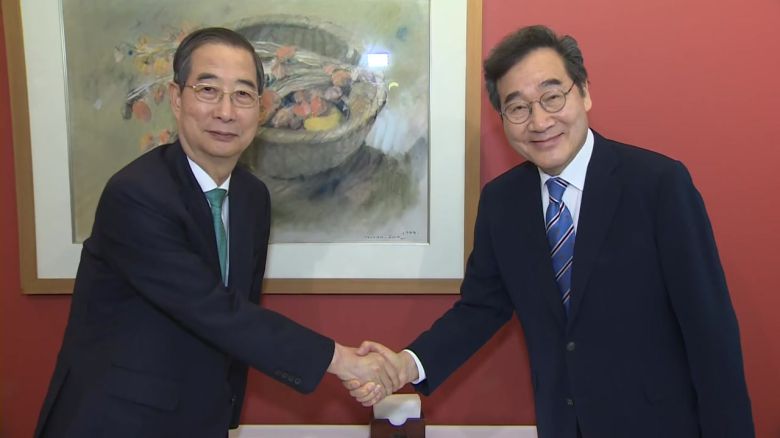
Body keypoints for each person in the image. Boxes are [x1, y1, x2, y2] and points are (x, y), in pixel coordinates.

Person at [351, 25, 754, 437]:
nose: (540, 121)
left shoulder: (658, 185)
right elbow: (481, 309)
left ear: (584, 93)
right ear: (503, 119)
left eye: (552, 96)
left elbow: (711, 332)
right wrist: (407, 364)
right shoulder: (502, 203)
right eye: (518, 107)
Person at [34, 27, 396, 438]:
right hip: (113, 421)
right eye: (208, 90)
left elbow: (240, 308)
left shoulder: (252, 197)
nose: (226, 112)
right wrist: (342, 361)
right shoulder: (136, 194)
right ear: (177, 98)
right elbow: (213, 309)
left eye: (242, 94)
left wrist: (227, 417)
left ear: (260, 108)